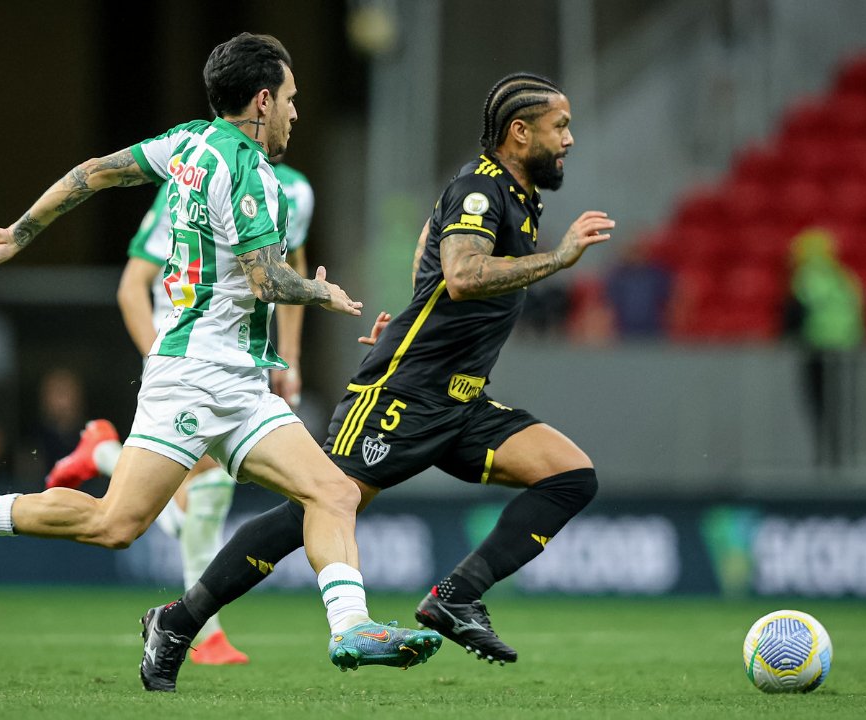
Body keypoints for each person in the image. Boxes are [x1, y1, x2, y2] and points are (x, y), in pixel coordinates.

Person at [0, 32, 441, 691]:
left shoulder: (186, 143)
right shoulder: (247, 169)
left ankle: (351, 628)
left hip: (239, 382)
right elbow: (266, 280)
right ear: (261, 100)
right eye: (288, 99)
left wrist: (18, 233)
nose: (293, 112)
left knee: (333, 490)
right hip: (195, 379)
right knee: (116, 524)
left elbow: (92, 173)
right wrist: (320, 290)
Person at [144, 72, 612, 688]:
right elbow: (465, 273)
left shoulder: (520, 195)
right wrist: (560, 258)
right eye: (561, 128)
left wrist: (418, 304)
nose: (570, 140)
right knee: (315, 507)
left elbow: (432, 247)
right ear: (519, 134)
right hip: (404, 392)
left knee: (570, 475)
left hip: (462, 401)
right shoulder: (481, 187)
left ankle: (457, 596)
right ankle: (178, 621)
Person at [44, 160, 315, 665]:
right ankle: (204, 632)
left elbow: (287, 272)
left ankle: (102, 452)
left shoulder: (295, 191)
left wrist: (289, 359)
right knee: (196, 494)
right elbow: (132, 286)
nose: (292, 112)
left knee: (194, 497)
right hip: (183, 359)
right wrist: (165, 366)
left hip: (234, 362)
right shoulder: (192, 179)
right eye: (285, 98)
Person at [781, 227, 865, 466]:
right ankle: (838, 456)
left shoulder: (807, 277)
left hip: (817, 350)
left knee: (818, 404)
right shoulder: (845, 277)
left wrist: (787, 336)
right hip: (846, 351)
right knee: (839, 405)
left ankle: (825, 456)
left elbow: (795, 312)